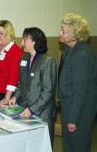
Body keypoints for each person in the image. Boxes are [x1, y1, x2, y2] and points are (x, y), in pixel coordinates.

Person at [8, 27, 57, 147]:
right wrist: (14, 97)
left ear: (34, 41)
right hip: (25, 110)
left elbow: (48, 92)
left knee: (42, 146)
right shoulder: (23, 58)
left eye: (25, 39)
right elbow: (20, 83)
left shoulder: (47, 61)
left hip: (42, 114)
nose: (22, 43)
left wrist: (32, 109)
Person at [58, 13, 97, 152]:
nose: (59, 33)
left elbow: (80, 90)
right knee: (69, 146)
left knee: (77, 146)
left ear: (74, 35)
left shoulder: (82, 55)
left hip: (80, 111)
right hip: (69, 106)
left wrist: (73, 118)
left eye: (64, 31)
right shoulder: (69, 50)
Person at [0, 20, 23, 105]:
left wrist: (7, 98)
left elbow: (14, 77)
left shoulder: (14, 50)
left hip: (8, 95)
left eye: (1, 33)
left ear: (9, 34)